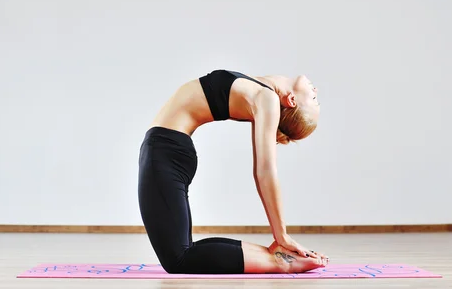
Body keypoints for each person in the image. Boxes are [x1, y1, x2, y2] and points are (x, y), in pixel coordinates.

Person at [138, 69, 328, 274]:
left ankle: (280, 262)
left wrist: (281, 235)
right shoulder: (263, 91)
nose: (315, 89)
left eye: (314, 98)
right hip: (167, 149)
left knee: (178, 259)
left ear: (291, 100)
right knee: (183, 251)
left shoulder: (268, 99)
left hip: (165, 151)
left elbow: (265, 170)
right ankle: (278, 257)